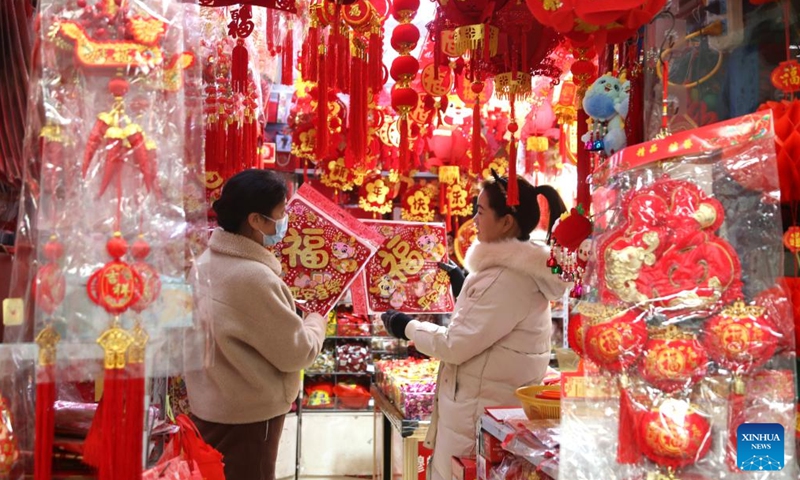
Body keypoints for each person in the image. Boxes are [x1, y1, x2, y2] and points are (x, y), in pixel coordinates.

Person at [382, 172, 571, 480]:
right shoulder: (507, 274)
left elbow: (455, 346)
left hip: (475, 420)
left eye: (481, 212)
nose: (475, 219)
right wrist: (464, 287)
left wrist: (407, 327)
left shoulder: (506, 279)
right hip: (478, 412)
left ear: (506, 221)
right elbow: (485, 332)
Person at [185, 169, 327, 480]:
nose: (284, 220)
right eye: (281, 212)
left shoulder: (205, 263)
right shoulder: (253, 278)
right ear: (256, 220)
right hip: (248, 414)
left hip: (210, 405)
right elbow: (296, 353)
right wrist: (317, 320)